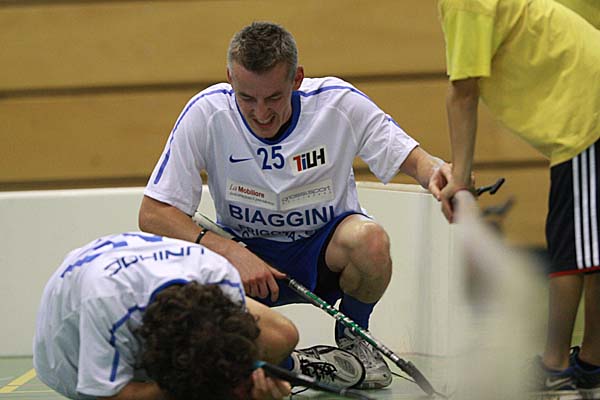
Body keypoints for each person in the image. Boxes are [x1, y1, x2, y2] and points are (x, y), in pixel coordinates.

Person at [138, 21, 451, 389]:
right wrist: (230, 251)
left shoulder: (338, 103)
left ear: (297, 79)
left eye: (274, 98)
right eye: (246, 98)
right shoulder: (206, 113)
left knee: (371, 241)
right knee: (216, 339)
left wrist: (439, 174)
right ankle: (302, 365)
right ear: (230, 79)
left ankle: (356, 340)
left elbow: (414, 159)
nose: (261, 113)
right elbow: (154, 213)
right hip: (246, 263)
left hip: (323, 256)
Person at [436, 0, 600, 397]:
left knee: (574, 251)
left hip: (587, 113)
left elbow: (463, 92)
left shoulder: (464, 3)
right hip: (584, 110)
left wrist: (460, 181)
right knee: (584, 246)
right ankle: (590, 362)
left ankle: (556, 365)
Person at [33, 232, 300, 400]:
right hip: (70, 354)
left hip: (137, 286)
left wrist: (248, 381)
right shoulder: (105, 305)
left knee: (280, 336)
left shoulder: (219, 274)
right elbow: (109, 395)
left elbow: (232, 345)